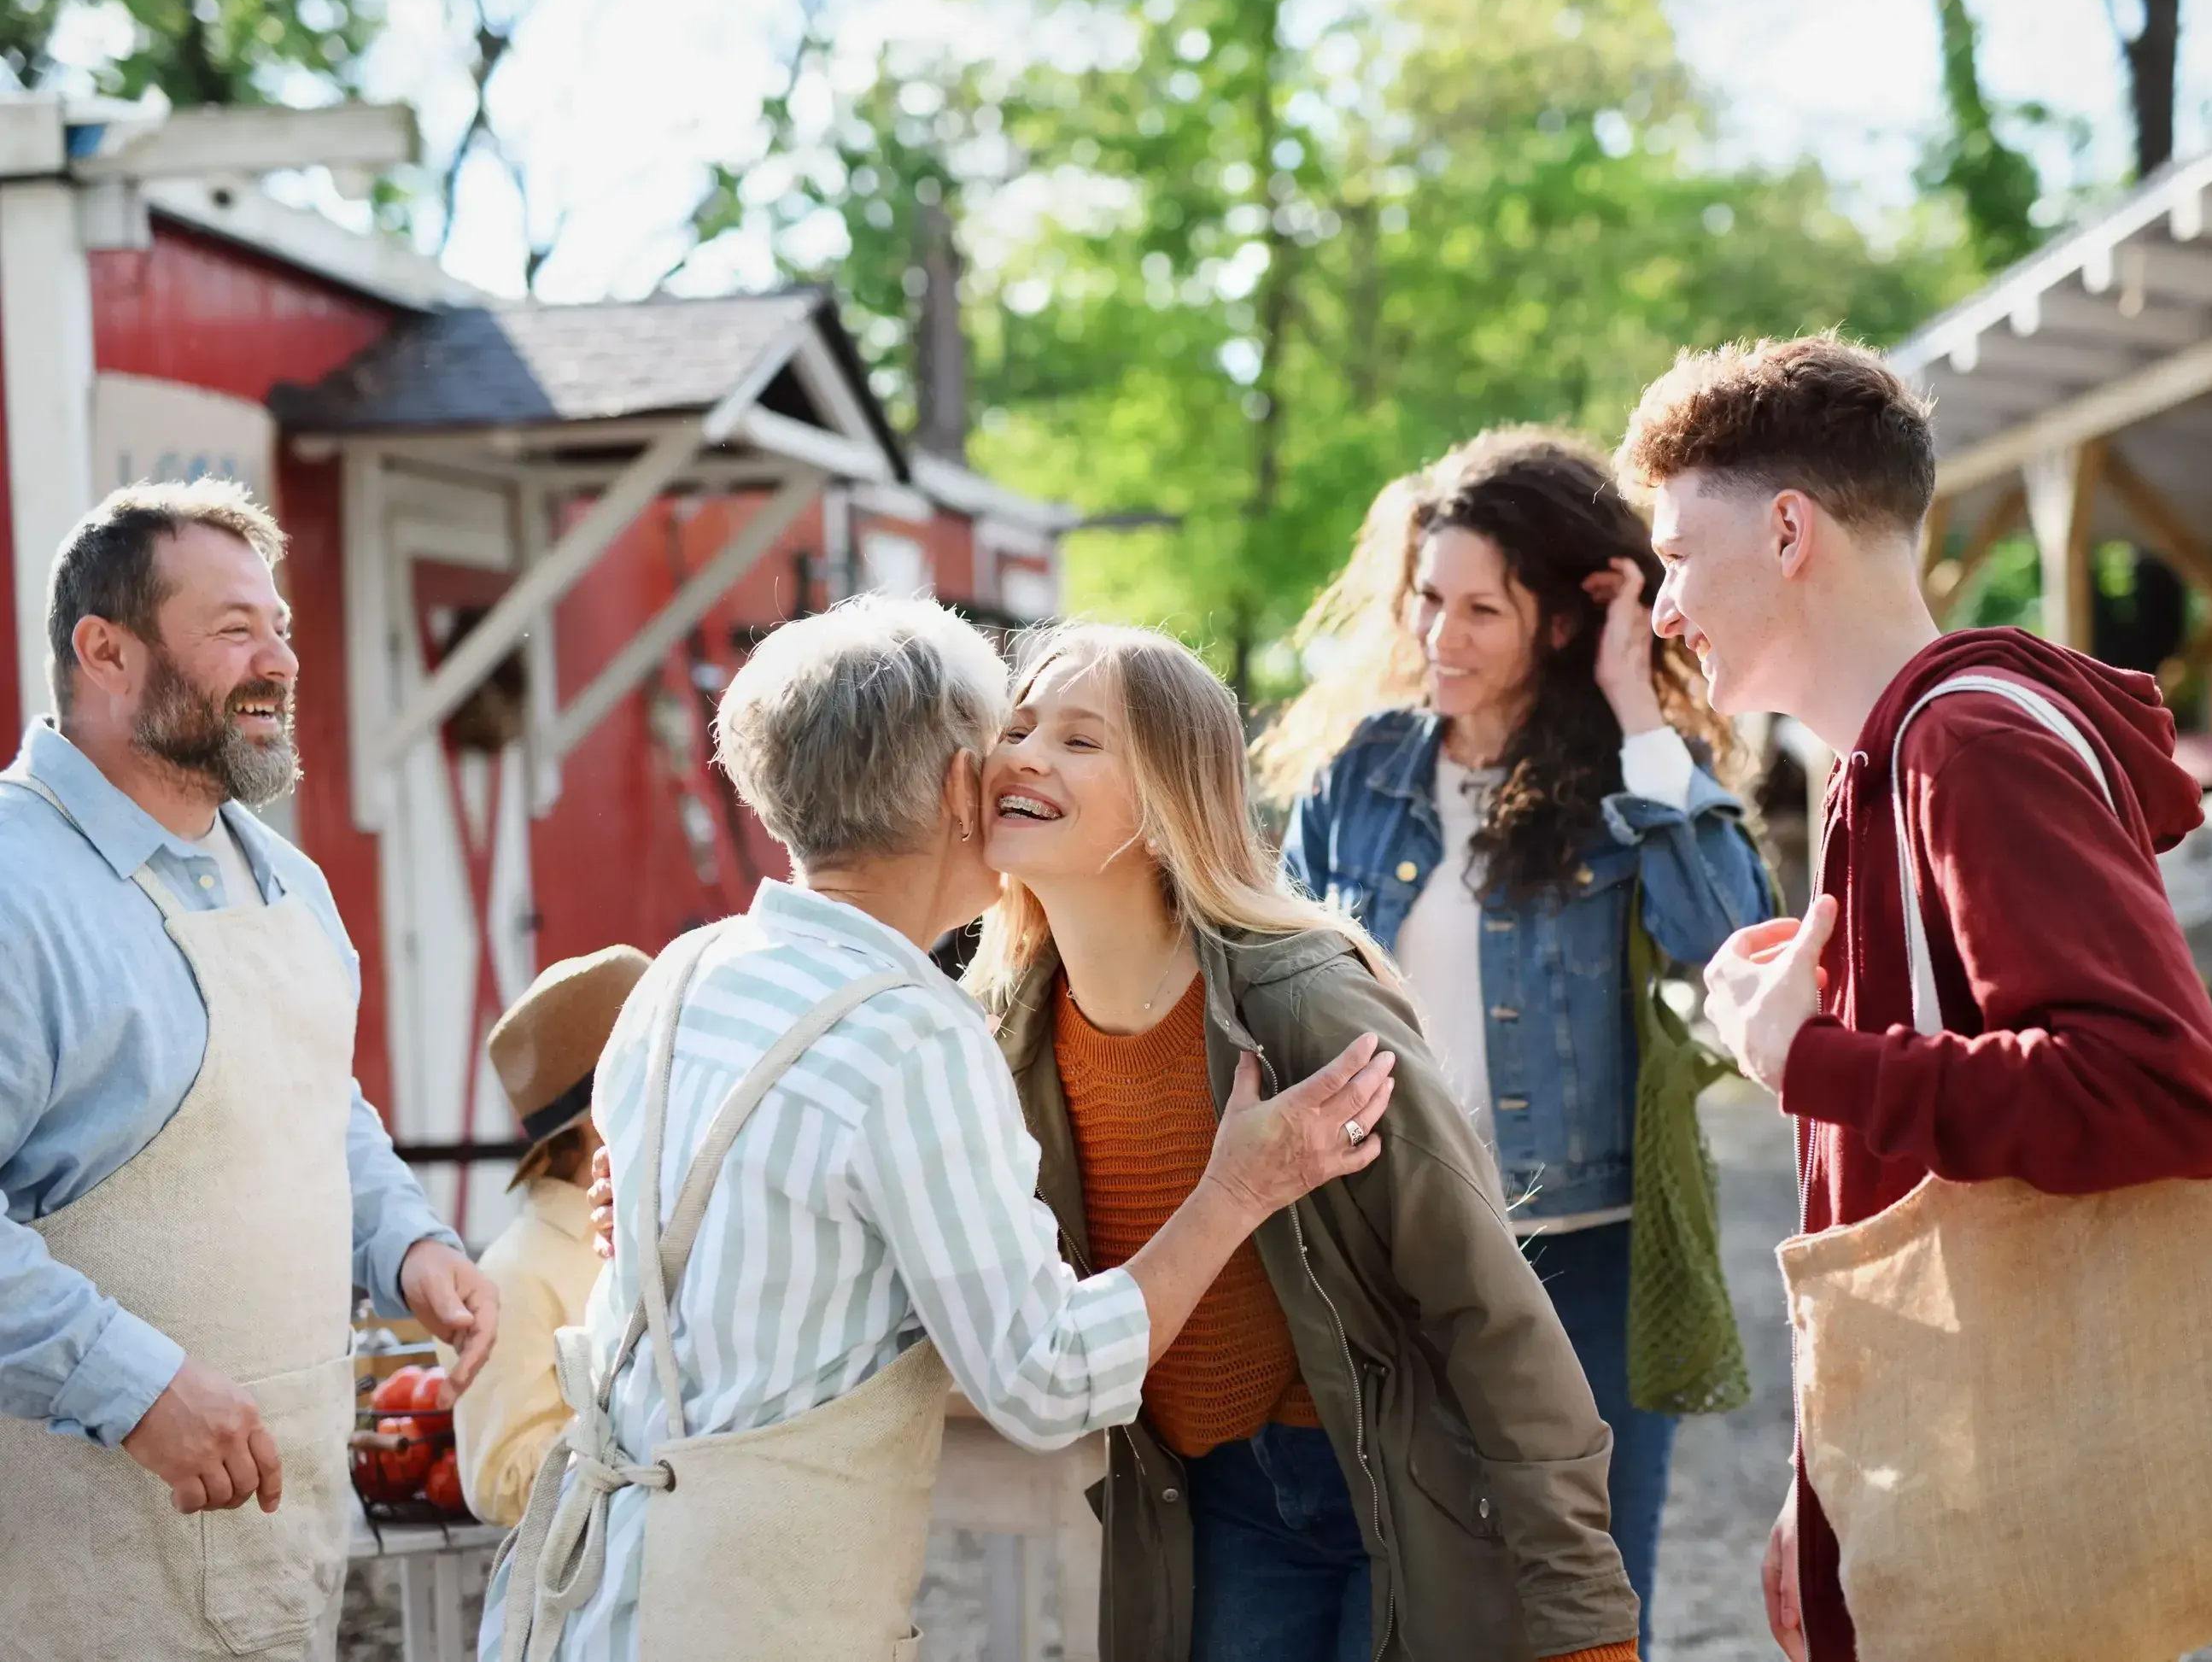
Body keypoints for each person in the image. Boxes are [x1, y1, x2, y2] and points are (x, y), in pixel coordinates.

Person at [486, 596, 1395, 1662]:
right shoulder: (909, 1036)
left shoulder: (680, 975)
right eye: (1004, 739)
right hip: (749, 1611)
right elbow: (1049, 1379)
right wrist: (1237, 1188)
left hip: (584, 1596)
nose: (1021, 767)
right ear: (961, 785)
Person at [1621, 335, 2212, 1662]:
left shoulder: (1964, 745)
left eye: (1677, 556)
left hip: (2016, 1497)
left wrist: (1812, 1062)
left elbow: (2163, 1092)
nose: (1665, 608)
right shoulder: (1899, 755)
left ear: (1790, 530)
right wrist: (1831, 1484)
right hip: (1951, 1469)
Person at [972, 621, 1642, 1662]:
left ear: (1165, 805)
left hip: (1396, 1482)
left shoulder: (1307, 1007)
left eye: (1078, 739)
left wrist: (1586, 1620)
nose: (1023, 753)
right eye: (1015, 727)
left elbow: (1490, 1306)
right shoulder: (1002, 1042)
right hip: (1217, 1498)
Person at [1258, 427, 1771, 1648]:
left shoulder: (1634, 780)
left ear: (1559, 620)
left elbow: (1736, 938)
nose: (1439, 635)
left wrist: (1634, 698)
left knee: (1583, 1601)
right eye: (1429, 599)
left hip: (1586, 1253)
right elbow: (1274, 990)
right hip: (1391, 1248)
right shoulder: (1360, 776)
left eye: (1481, 607)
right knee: (1399, 1588)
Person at [0, 480, 499, 1661]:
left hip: (279, 1559)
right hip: (72, 1579)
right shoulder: (15, 892)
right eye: (233, 628)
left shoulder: (285, 877)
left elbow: (319, 1098)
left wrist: (409, 1243)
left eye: (277, 626)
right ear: (105, 650)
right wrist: (131, 1381)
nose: (277, 658)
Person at [448, 946, 644, 1527]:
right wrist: (648, 1417)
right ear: (596, 1117)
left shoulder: (654, 1225)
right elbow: (499, 1480)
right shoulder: (514, 1273)